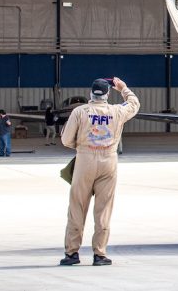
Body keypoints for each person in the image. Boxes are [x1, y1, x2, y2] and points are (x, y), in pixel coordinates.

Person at [59, 77, 140, 266]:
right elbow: (134, 104)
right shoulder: (117, 111)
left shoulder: (80, 112)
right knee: (103, 209)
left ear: (91, 93)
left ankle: (72, 253)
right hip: (108, 161)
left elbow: (65, 140)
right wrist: (124, 88)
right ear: (107, 94)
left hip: (85, 160)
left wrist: (81, 147)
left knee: (77, 207)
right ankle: (100, 254)